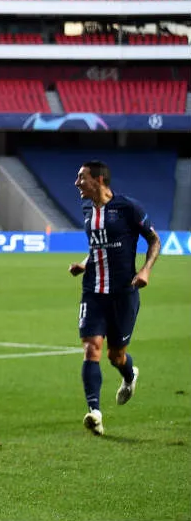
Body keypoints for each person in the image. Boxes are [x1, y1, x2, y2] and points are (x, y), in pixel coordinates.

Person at [68, 160, 160, 436]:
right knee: (91, 347)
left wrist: (145, 270)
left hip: (123, 292)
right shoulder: (86, 209)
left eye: (81, 177)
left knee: (116, 355)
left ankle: (130, 375)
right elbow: (97, 246)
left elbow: (154, 240)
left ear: (98, 180)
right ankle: (94, 412)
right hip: (93, 290)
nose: (76, 183)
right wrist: (85, 263)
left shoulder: (127, 208)